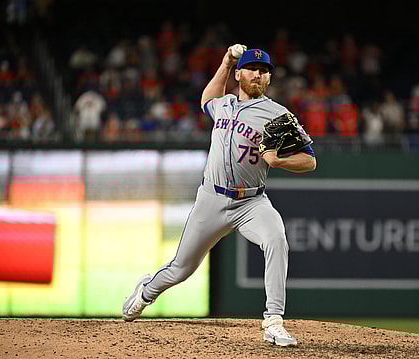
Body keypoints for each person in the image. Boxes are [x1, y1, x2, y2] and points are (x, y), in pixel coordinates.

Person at [122, 45, 317, 346]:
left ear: (269, 79)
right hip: (211, 199)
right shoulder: (223, 104)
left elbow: (310, 160)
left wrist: (280, 161)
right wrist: (226, 62)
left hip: (251, 202)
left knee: (276, 240)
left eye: (264, 71)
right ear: (239, 74)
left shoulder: (279, 114)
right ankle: (146, 291)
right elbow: (206, 100)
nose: (258, 74)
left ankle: (274, 321)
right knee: (181, 269)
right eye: (252, 69)